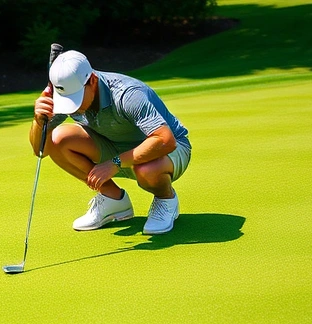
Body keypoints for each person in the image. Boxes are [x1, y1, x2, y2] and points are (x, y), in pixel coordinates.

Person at [29, 50, 192, 235]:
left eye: (76, 98)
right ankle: (114, 199)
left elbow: (165, 140)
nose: (73, 107)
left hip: (167, 149)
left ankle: (165, 199)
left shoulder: (127, 94)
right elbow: (40, 150)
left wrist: (115, 162)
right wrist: (39, 121)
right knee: (58, 139)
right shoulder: (64, 95)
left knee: (146, 169)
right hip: (113, 144)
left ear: (91, 80)